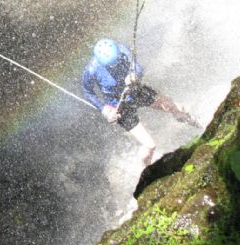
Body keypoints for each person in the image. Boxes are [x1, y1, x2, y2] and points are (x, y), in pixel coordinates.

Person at [81, 38, 200, 166]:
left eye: (116, 61)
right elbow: (87, 92)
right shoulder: (91, 70)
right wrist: (104, 109)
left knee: (172, 105)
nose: (115, 65)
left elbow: (138, 67)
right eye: (111, 64)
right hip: (120, 107)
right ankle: (148, 170)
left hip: (136, 90)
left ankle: (194, 122)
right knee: (150, 145)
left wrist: (134, 75)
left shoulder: (121, 49)